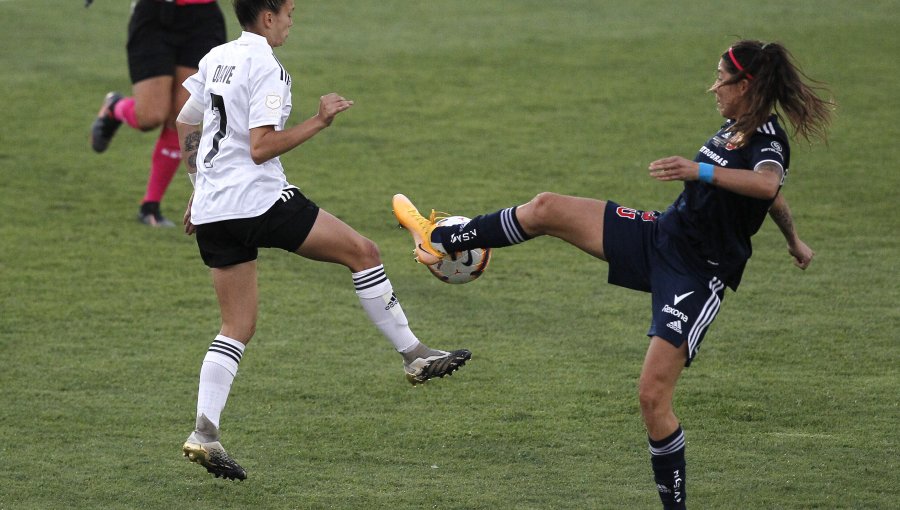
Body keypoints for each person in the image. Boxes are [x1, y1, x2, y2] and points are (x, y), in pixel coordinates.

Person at [393, 39, 833, 509]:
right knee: (546, 208)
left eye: (721, 80)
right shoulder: (735, 128)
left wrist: (698, 171)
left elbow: (767, 184)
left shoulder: (769, 139)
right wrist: (794, 240)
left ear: (746, 85)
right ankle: (440, 240)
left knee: (651, 398)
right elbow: (773, 198)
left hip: (695, 275)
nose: (713, 88)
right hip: (661, 237)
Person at [175, 0, 471, 481]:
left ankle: (204, 432)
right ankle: (414, 357)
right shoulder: (267, 67)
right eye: (289, 11)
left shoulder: (216, 57)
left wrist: (199, 185)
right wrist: (320, 120)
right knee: (364, 252)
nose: (293, 19)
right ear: (267, 17)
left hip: (213, 212)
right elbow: (261, 147)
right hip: (260, 202)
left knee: (236, 326)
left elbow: (186, 122)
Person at [89, 0, 227, 227]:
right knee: (150, 116)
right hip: (154, 15)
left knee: (184, 116)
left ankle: (150, 206)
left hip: (202, 18)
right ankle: (115, 107)